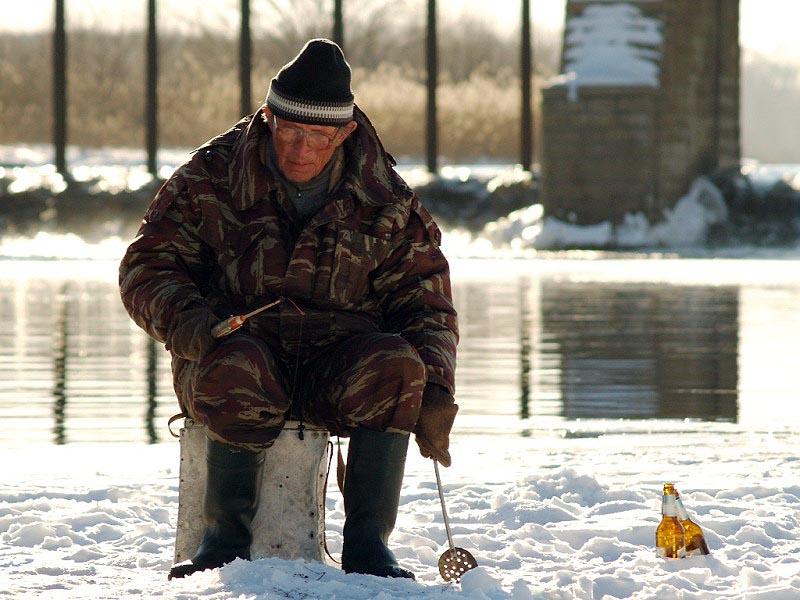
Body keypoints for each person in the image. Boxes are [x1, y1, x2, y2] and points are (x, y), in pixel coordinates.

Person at [118, 39, 458, 581]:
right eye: (290, 132)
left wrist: (436, 387)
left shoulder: (386, 198)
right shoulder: (211, 175)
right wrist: (190, 324)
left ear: (345, 133)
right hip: (231, 355)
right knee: (239, 365)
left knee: (399, 366)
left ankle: (369, 547)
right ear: (269, 116)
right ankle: (223, 542)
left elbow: (426, 301)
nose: (300, 150)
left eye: (318, 138)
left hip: (337, 365)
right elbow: (146, 268)